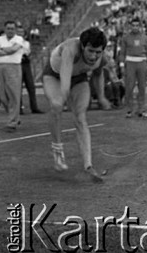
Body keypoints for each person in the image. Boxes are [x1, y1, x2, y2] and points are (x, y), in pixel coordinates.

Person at [43, 27, 111, 183]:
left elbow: (98, 74)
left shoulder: (103, 58)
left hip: (78, 78)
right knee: (57, 105)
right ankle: (58, 150)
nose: (94, 56)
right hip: (55, 76)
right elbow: (65, 79)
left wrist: (101, 97)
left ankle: (88, 166)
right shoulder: (70, 49)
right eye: (90, 51)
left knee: (80, 117)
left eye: (98, 52)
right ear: (82, 46)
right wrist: (64, 96)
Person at [119, 17, 147, 120]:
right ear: (130, 26)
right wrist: (122, 65)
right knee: (129, 87)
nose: (135, 27)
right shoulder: (125, 38)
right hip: (130, 63)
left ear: (140, 27)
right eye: (133, 25)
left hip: (142, 63)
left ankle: (141, 109)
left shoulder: (145, 38)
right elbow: (122, 52)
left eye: (137, 25)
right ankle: (130, 109)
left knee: (142, 87)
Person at [0, 20, 24, 132]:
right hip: (1, 67)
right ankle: (14, 116)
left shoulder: (19, 39)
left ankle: (12, 122)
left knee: (13, 94)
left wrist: (2, 50)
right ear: (5, 29)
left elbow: (13, 50)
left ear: (15, 30)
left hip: (14, 67)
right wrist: (7, 50)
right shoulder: (0, 39)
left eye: (12, 28)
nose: (10, 30)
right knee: (2, 95)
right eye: (8, 28)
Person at [16, 25, 44, 114]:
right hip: (18, 63)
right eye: (19, 32)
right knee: (18, 87)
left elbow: (28, 52)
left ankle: (34, 107)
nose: (20, 34)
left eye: (22, 32)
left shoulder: (26, 43)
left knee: (31, 86)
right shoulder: (14, 42)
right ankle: (19, 108)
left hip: (26, 63)